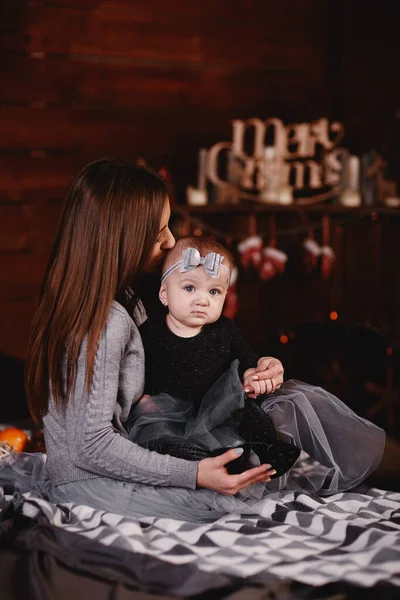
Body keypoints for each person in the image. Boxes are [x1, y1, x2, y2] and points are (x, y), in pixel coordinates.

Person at [21, 158, 283, 521]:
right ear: (122, 235)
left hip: (115, 460)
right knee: (230, 502)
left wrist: (248, 374)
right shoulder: (104, 323)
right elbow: (92, 445)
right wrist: (193, 474)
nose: (171, 241)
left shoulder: (124, 300)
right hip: (92, 480)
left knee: (283, 408)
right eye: (159, 230)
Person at [128, 236, 301, 479]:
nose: (203, 300)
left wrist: (253, 374)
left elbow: (247, 360)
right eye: (189, 288)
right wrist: (143, 399)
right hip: (170, 416)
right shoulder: (149, 333)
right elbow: (136, 373)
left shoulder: (225, 330)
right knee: (161, 440)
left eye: (214, 291)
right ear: (164, 294)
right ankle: (201, 461)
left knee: (251, 414)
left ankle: (267, 449)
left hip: (219, 410)